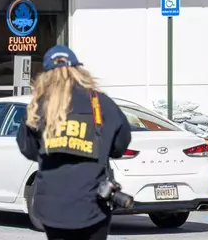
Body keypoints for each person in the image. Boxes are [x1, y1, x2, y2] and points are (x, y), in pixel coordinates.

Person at [16, 45, 131, 240]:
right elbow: (120, 144)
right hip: (93, 204)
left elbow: (27, 148)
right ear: (78, 70)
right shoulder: (100, 103)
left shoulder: (40, 106)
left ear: (46, 75)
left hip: (52, 206)